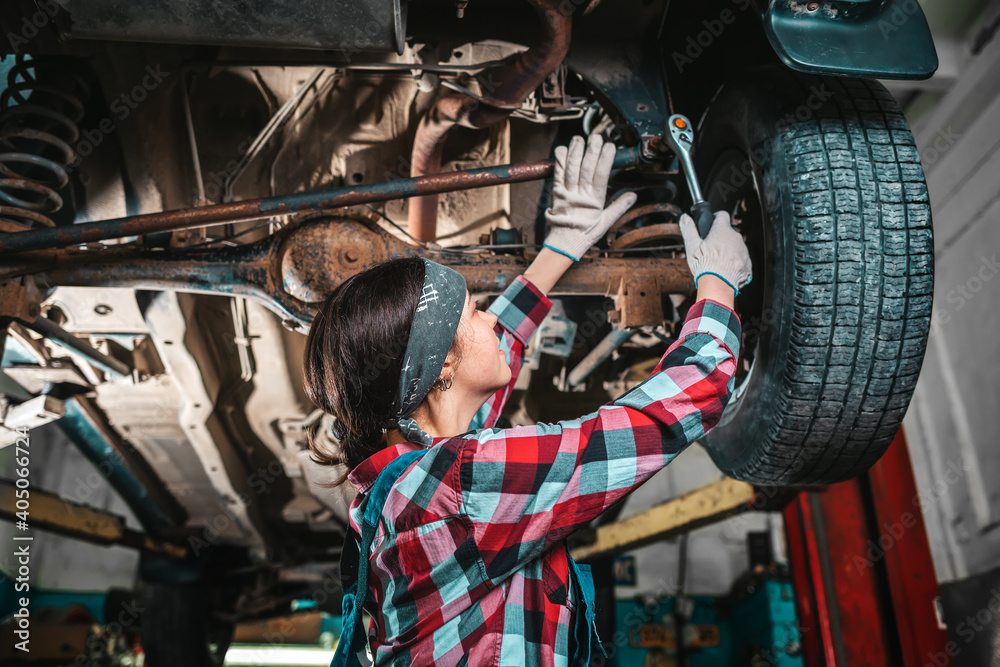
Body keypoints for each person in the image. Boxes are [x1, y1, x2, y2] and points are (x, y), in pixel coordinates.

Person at [302, 134, 752, 666]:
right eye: (473, 312)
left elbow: (487, 361)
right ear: (439, 365)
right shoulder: (453, 487)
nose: (490, 318)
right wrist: (719, 290)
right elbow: (651, 423)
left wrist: (560, 247)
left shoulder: (400, 494)